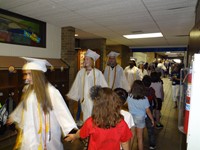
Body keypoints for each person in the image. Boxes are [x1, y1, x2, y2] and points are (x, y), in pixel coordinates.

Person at [7, 57, 77, 150]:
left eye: (30, 74)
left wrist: (72, 131)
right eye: (26, 74)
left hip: (45, 133)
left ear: (38, 75)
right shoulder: (28, 89)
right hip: (30, 132)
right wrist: (14, 116)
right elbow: (24, 106)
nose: (26, 78)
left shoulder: (51, 92)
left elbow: (62, 111)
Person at [65, 86, 132, 150]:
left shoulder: (91, 122)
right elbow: (125, 143)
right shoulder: (121, 124)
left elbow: (81, 133)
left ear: (97, 104)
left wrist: (74, 136)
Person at [67, 49, 108, 122]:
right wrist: (71, 95)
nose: (85, 61)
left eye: (87, 59)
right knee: (86, 118)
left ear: (92, 61)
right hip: (84, 99)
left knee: (94, 118)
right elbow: (76, 85)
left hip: (94, 101)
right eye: (84, 59)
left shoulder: (98, 73)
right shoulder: (81, 72)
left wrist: (103, 98)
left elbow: (104, 86)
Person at [127, 80, 154, 150]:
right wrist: (152, 119)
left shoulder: (129, 96)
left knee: (131, 136)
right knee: (140, 138)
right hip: (140, 118)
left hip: (131, 118)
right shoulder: (144, 98)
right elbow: (148, 111)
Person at [142, 75, 156, 150]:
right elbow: (154, 98)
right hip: (149, 109)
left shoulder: (141, 90)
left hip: (141, 110)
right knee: (150, 128)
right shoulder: (152, 90)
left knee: (141, 127)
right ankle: (152, 144)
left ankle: (140, 140)